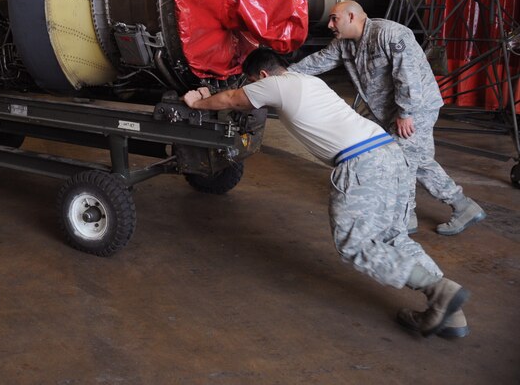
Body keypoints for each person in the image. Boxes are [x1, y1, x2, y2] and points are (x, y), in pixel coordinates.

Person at [183, 47, 470, 338]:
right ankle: (450, 312)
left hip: (362, 162)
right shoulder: (307, 81)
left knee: (354, 243)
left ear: (264, 76)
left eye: (253, 82)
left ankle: (439, 291)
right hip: (391, 154)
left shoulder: (274, 85)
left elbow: (234, 98)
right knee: (393, 237)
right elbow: (244, 102)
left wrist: (200, 103)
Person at [289, 0, 484, 237]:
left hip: (416, 108)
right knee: (417, 158)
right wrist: (285, 75)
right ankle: (462, 206)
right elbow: (319, 60)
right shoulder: (344, 44)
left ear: (351, 17)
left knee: (403, 159)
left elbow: (408, 76)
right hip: (386, 110)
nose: (329, 24)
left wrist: (406, 114)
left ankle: (404, 218)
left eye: (334, 18)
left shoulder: (391, 34)